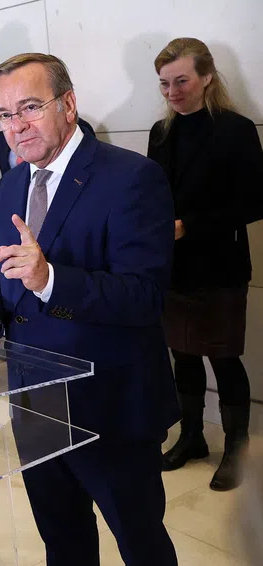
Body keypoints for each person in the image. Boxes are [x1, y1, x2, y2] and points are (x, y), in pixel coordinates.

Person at [0, 53, 186, 566]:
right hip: (33, 393)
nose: (15, 126)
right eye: (2, 115)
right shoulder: (9, 185)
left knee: (140, 542)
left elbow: (144, 296)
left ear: (66, 102)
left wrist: (52, 277)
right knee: (59, 525)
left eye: (27, 107)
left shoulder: (133, 179)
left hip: (110, 398)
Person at [150, 38, 263, 491]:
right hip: (174, 266)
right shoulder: (162, 133)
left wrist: (188, 225)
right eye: (164, 84)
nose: (172, 92)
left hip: (220, 265)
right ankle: (192, 437)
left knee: (224, 356)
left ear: (207, 76)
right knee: (183, 354)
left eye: (181, 81)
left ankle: (236, 449)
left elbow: (255, 201)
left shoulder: (236, 129)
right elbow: (151, 193)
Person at [0, 118, 95, 174]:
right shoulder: (2, 135)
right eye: (5, 115)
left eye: (31, 107)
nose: (17, 128)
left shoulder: (78, 127)